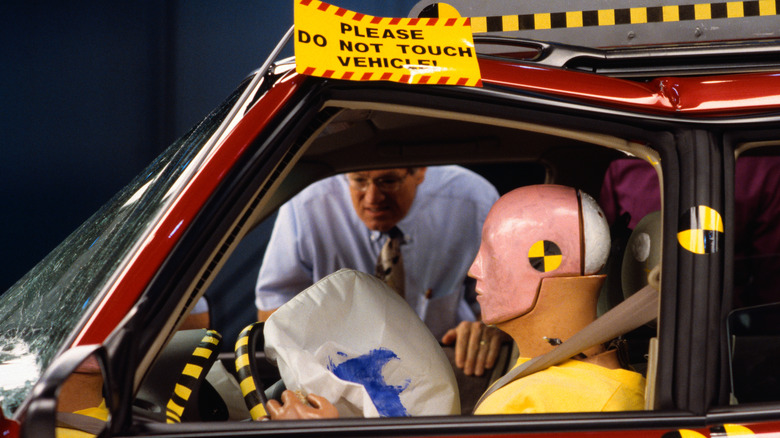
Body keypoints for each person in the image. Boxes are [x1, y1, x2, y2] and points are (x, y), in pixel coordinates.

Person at [255, 165, 505, 378]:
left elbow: (505, 301)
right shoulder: (306, 205)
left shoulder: (472, 199)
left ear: (420, 172)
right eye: (359, 181)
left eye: (388, 182)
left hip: (448, 368)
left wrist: (491, 329)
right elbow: (276, 312)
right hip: (340, 376)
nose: (372, 198)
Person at [470, 184, 645, 414]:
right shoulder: (614, 384)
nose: (474, 269)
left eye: (491, 255)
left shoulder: (533, 406)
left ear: (544, 259)